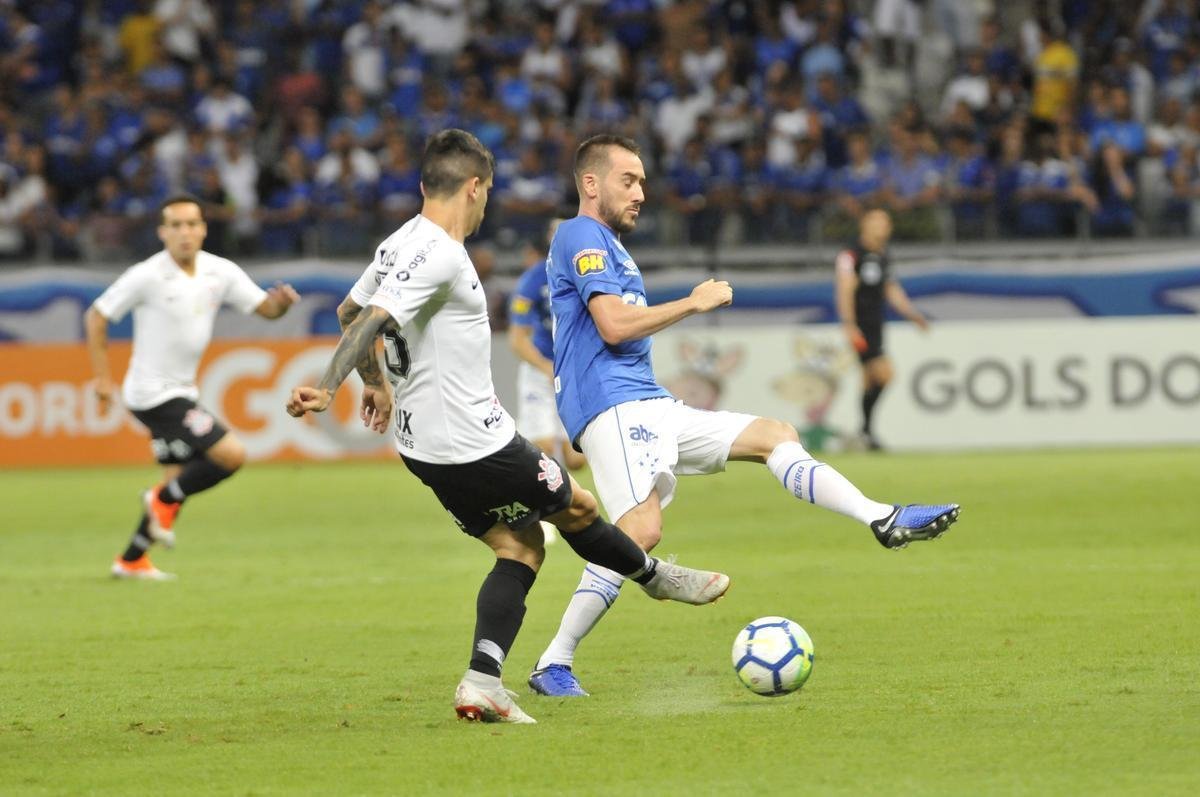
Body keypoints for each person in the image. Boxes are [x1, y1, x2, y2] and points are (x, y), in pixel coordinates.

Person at [285, 129, 729, 725]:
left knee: (519, 546)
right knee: (578, 507)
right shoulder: (440, 253)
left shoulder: (398, 243)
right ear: (475, 188)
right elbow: (371, 318)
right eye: (488, 192)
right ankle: (654, 576)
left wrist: (376, 384)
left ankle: (482, 682)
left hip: (421, 447)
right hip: (475, 441)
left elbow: (348, 310)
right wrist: (331, 384)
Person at [527, 134, 960, 698]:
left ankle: (881, 517)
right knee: (641, 532)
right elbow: (612, 325)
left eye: (643, 182)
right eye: (627, 181)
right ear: (590, 183)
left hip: (646, 401)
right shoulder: (581, 234)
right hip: (612, 404)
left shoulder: (609, 244)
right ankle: (554, 662)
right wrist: (693, 302)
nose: (641, 193)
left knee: (774, 435)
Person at [85, 195, 299, 581]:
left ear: (203, 229)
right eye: (176, 225)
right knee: (230, 455)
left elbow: (266, 310)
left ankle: (131, 560)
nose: (184, 232)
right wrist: (102, 378)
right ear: (162, 232)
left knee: (177, 479)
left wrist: (281, 304)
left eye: (192, 224)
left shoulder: (220, 271)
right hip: (153, 394)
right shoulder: (147, 275)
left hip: (183, 390)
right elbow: (96, 316)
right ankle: (159, 500)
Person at [835, 209, 929, 450]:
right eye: (878, 222)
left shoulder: (883, 255)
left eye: (886, 223)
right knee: (885, 374)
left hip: (876, 325)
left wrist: (912, 314)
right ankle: (865, 432)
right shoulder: (851, 254)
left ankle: (864, 435)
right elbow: (845, 288)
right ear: (865, 224)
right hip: (861, 327)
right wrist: (849, 325)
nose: (884, 227)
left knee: (869, 380)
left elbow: (891, 289)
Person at [507, 218, 586, 473]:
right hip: (541, 371)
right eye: (555, 233)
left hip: (573, 372)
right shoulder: (534, 278)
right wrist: (545, 367)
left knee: (576, 460)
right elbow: (517, 339)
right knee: (544, 450)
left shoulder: (589, 272)